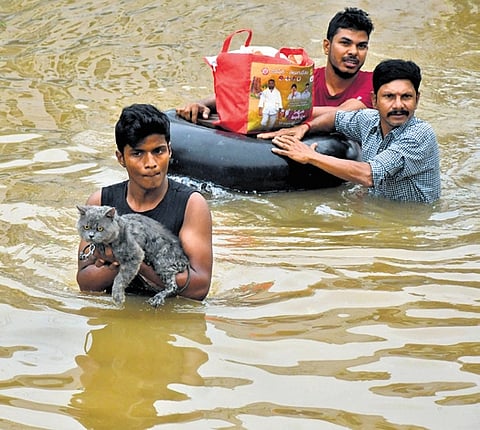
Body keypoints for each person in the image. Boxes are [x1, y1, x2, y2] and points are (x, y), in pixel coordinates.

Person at [76, 104, 213, 301]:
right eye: (137, 153)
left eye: (158, 151)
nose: (150, 163)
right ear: (121, 158)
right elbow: (85, 283)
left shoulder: (191, 205)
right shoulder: (101, 203)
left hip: (168, 322)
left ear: (170, 151)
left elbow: (199, 289)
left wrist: (132, 258)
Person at [176, 7, 374, 136]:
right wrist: (200, 103)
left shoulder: (375, 83)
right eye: (345, 43)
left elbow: (346, 111)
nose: (353, 52)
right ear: (326, 46)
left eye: (361, 46)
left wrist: (283, 113)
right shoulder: (305, 77)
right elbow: (247, 96)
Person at [270, 59, 441, 204]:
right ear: (374, 100)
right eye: (389, 97)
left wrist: (311, 156)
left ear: (417, 100)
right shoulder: (368, 120)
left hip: (411, 222)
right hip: (378, 206)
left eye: (406, 97)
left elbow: (368, 175)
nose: (398, 105)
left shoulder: (419, 135)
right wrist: (305, 127)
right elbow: (335, 118)